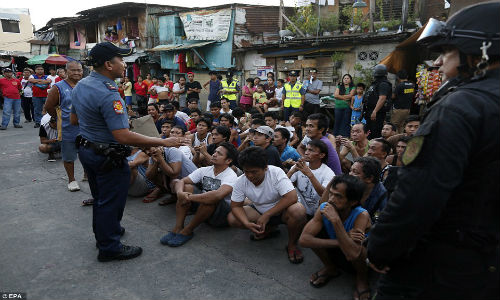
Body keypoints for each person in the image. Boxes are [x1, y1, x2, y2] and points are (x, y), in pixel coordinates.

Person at [367, 4, 499, 298]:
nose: (438, 64)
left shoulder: (460, 108)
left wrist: (381, 247)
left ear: (480, 54)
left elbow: (418, 192)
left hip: (439, 265)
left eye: (447, 53)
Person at [70, 42, 186, 262]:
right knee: (110, 201)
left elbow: (74, 119)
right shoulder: (109, 94)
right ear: (108, 64)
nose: (124, 64)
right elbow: (122, 136)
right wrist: (162, 142)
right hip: (107, 156)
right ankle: (109, 247)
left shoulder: (82, 85)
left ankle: (106, 232)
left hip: (87, 149)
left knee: (101, 198)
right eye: (120, 60)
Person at [228, 146, 307, 264]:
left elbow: (292, 197)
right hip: (259, 210)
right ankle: (269, 229)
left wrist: (268, 214)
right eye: (246, 171)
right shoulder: (241, 181)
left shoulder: (276, 172)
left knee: (298, 210)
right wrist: (246, 223)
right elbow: (235, 206)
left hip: (283, 211)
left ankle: (292, 245)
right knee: (233, 218)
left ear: (265, 168)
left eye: (254, 172)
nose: (249, 176)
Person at [299, 174, 371, 299]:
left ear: (352, 201)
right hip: (339, 246)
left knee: (362, 251)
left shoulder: (361, 215)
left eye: (338, 196)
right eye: (331, 193)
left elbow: (353, 253)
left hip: (354, 256)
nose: (331, 199)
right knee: (314, 236)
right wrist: (341, 241)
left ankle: (361, 279)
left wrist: (336, 221)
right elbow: (304, 240)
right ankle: (330, 267)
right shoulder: (325, 208)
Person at [160, 142, 238, 247]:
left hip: (220, 215)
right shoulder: (204, 170)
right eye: (215, 152)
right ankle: (178, 227)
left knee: (210, 199)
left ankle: (188, 230)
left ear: (228, 160)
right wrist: (180, 193)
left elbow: (217, 195)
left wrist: (188, 197)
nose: (214, 154)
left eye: (219, 154)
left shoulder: (231, 175)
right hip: (203, 209)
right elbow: (181, 181)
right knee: (186, 187)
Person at [44, 61, 84, 192]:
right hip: (67, 127)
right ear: (66, 72)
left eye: (79, 70)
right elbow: (49, 106)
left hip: (86, 127)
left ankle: (87, 175)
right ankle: (71, 180)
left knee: (88, 152)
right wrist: (56, 118)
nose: (77, 73)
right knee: (69, 155)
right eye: (73, 70)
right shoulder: (58, 87)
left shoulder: (85, 85)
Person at [288, 140, 334, 217]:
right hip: (299, 208)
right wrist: (292, 171)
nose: (306, 153)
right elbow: (283, 185)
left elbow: (324, 195)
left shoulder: (328, 173)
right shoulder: (301, 165)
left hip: (318, 211)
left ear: (321, 155)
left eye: (311, 150)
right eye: (306, 149)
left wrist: (310, 175)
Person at [349, 157, 387, 224]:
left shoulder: (382, 197)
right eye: (350, 170)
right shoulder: (348, 186)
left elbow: (382, 225)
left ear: (369, 178)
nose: (350, 174)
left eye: (355, 172)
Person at [363, 65, 392, 139]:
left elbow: (382, 98)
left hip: (377, 113)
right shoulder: (377, 83)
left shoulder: (383, 84)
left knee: (374, 132)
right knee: (369, 132)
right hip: (370, 112)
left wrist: (375, 111)